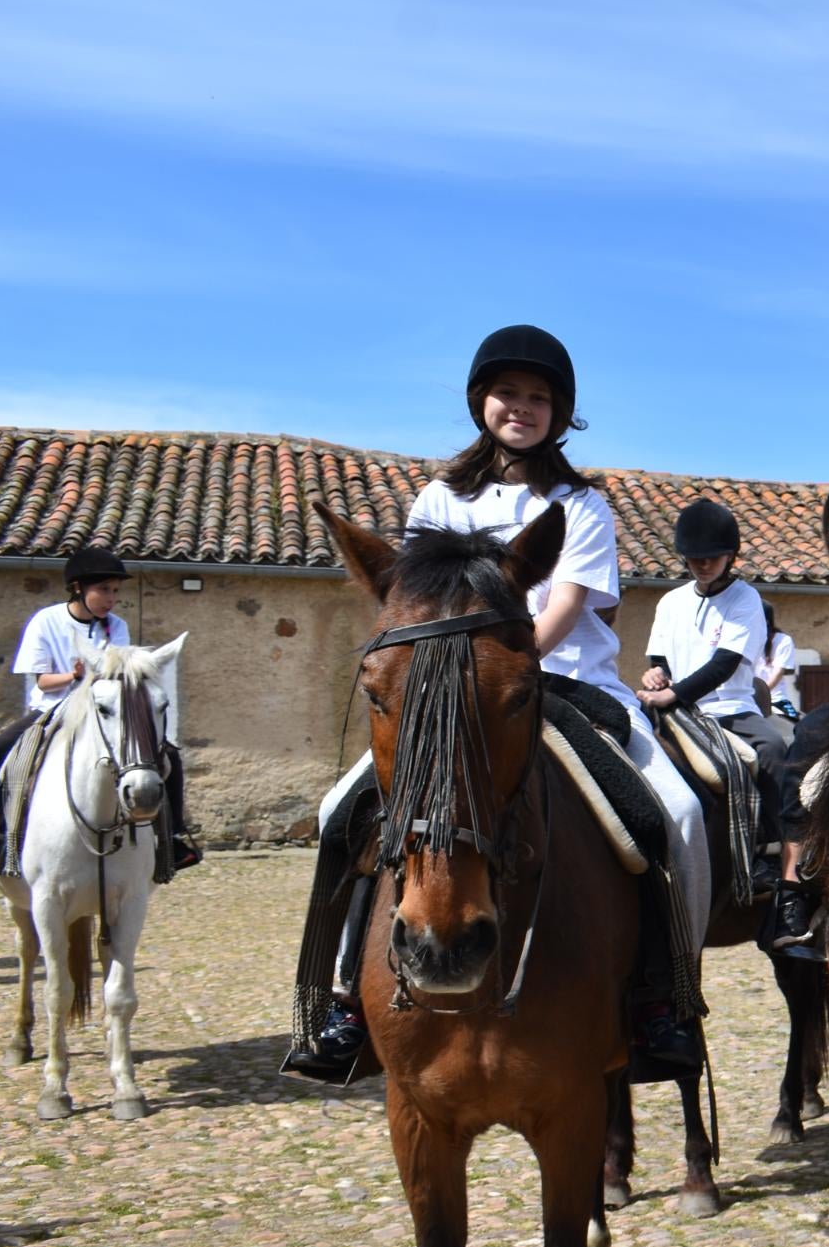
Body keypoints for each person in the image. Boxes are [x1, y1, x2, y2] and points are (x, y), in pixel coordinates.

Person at [292, 325, 708, 1074]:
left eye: (539, 398)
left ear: (561, 412)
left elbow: (567, 604)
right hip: (440, 698)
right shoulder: (440, 499)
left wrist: (503, 669)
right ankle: (343, 1002)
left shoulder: (581, 505)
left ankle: (662, 997)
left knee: (671, 813)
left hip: (567, 684)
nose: (522, 407)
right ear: (481, 401)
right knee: (340, 816)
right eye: (508, 393)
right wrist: (452, 682)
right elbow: (412, 605)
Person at [637, 498, 814, 956]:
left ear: (731, 556)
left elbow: (725, 664)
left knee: (775, 751)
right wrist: (656, 674)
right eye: (694, 559)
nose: (701, 566)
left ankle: (775, 860)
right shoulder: (671, 600)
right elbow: (659, 656)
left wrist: (672, 694)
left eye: (710, 559)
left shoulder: (746, 599)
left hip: (731, 707)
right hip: (677, 710)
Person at [2, 545, 202, 873]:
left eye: (115, 591)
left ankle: (173, 837)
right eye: (104, 590)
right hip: (50, 710)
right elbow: (41, 682)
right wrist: (74, 676)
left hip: (102, 713)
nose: (111, 598)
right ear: (78, 589)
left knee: (170, 757)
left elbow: (119, 674)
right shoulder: (45, 621)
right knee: (3, 750)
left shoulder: (115, 626)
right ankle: (5, 837)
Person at [759, 603, 804, 729]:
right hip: (745, 701)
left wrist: (759, 695)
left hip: (774, 700)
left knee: (798, 730)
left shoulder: (783, 640)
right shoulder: (743, 638)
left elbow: (778, 673)